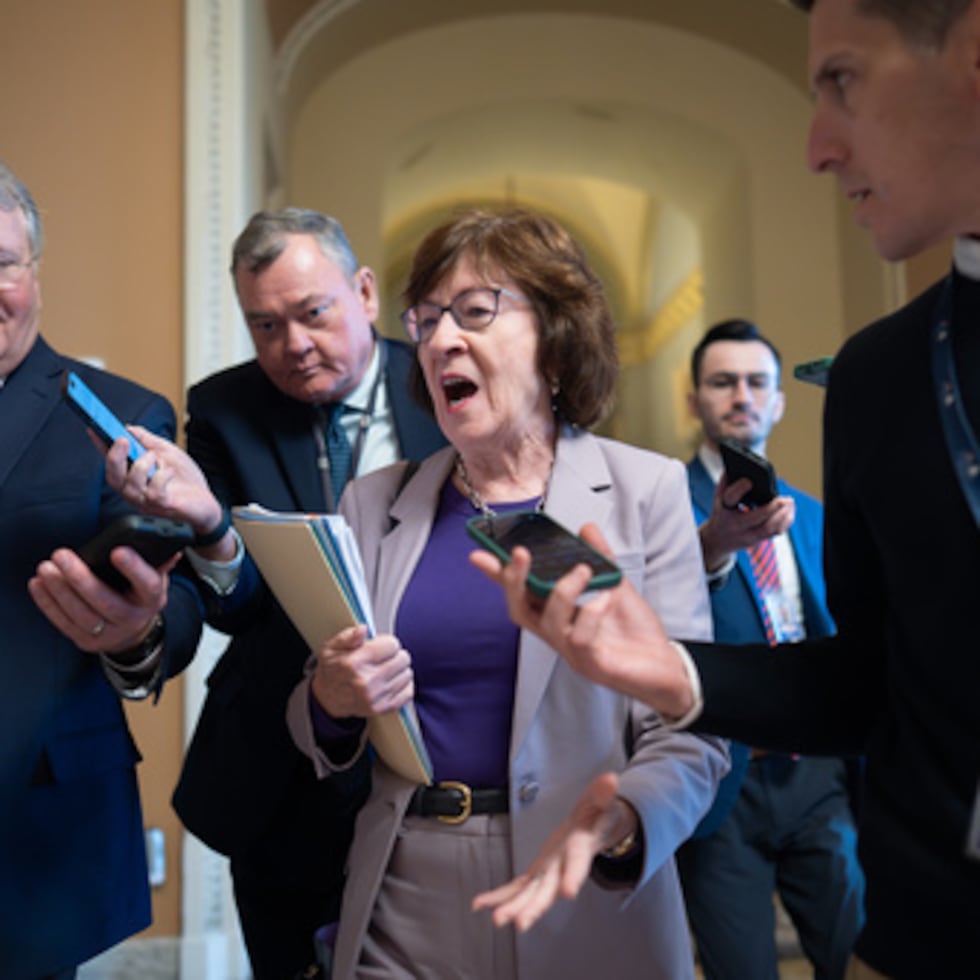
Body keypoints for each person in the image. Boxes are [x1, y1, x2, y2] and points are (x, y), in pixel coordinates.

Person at [471, 1, 980, 976]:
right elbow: (869, 678)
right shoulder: (876, 379)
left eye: (840, 79)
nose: (814, 147)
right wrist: (675, 671)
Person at [275, 206, 730, 980]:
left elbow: (691, 730)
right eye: (425, 321)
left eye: (476, 312)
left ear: (555, 343)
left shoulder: (645, 492)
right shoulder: (373, 504)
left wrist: (622, 822)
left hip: (585, 892)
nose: (440, 340)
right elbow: (312, 714)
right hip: (403, 897)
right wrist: (328, 697)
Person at [165, 208, 445, 979]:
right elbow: (234, 602)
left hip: (432, 758)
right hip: (278, 770)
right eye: (264, 326)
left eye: (311, 313)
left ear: (362, 292)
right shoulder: (223, 409)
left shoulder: (446, 384)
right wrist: (213, 532)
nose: (291, 345)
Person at [0, 161, 203, 978]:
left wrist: (139, 629)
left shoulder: (120, 415)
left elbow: (181, 603)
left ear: (35, 272)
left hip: (38, 833)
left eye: (2, 263)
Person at [677, 318, 863, 980]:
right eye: (722, 382)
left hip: (819, 779)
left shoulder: (813, 512)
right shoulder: (663, 504)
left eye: (758, 382)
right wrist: (712, 544)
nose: (741, 396)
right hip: (722, 776)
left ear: (780, 400)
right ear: (694, 397)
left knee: (859, 957)